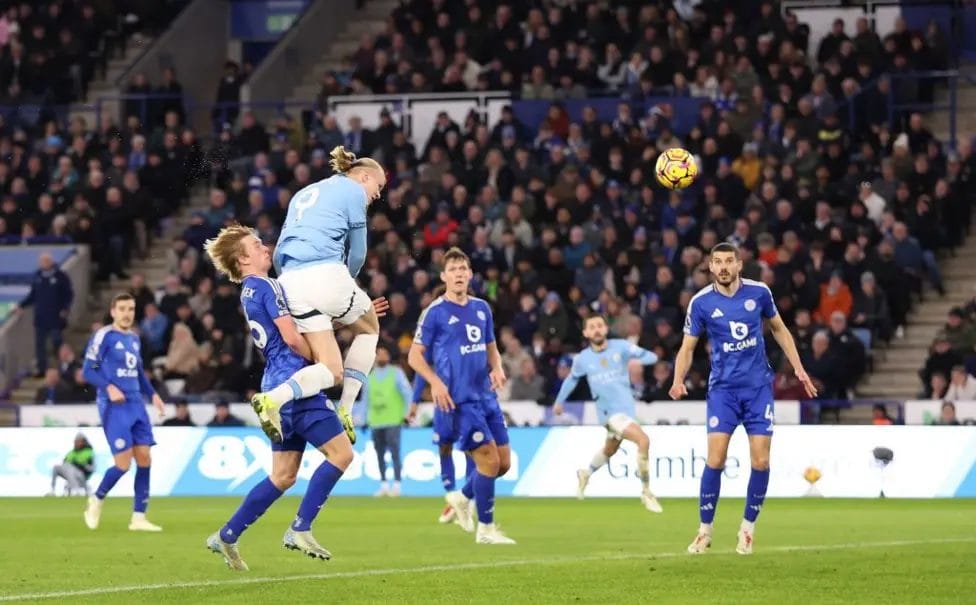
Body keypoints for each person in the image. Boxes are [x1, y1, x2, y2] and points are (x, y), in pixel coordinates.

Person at [203, 225, 356, 570]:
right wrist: (322, 362)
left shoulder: (248, 291)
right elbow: (292, 338)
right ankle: (300, 528)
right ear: (242, 259)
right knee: (342, 454)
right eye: (255, 245)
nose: (264, 248)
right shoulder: (270, 285)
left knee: (283, 476)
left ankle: (227, 535)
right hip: (295, 384)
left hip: (273, 385)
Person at [671, 243, 816, 555]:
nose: (723, 267)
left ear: (739, 264)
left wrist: (799, 368)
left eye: (729, 261)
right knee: (716, 459)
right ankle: (704, 531)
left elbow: (779, 329)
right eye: (718, 262)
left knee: (761, 460)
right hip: (723, 391)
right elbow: (687, 347)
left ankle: (747, 529)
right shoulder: (701, 303)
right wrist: (677, 379)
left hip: (758, 389)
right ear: (710, 267)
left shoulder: (759, 293)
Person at [257, 145, 388, 445]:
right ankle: (346, 409)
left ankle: (272, 400)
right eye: (378, 187)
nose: (377, 195)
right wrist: (348, 284)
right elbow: (359, 252)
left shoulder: (303, 193)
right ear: (364, 177)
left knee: (331, 368)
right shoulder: (354, 192)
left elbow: (280, 252)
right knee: (370, 328)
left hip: (289, 279)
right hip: (325, 273)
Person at [408, 247, 515, 544]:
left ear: (470, 275)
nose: (458, 274)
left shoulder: (482, 308)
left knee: (503, 464)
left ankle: (462, 497)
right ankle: (487, 530)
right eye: (452, 269)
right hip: (460, 401)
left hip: (487, 396)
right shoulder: (435, 313)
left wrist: (498, 367)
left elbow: (490, 345)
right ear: (444, 277)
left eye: (462, 269)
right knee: (489, 463)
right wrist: (435, 384)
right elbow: (414, 357)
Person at [553, 315, 663, 513]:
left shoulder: (620, 347)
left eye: (599, 326)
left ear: (605, 329)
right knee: (643, 441)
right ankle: (647, 492)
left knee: (609, 450)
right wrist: (559, 401)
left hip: (627, 411)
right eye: (591, 327)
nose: (596, 329)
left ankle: (586, 473)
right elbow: (571, 380)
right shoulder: (582, 359)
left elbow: (651, 357)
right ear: (586, 333)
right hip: (609, 414)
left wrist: (636, 362)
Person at [81, 293, 167, 532]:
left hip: (136, 404)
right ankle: (96, 499)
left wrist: (154, 395)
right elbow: (90, 367)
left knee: (145, 458)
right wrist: (107, 385)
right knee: (123, 464)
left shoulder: (134, 339)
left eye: (130, 309)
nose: (127, 313)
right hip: (114, 406)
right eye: (122, 309)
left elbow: (138, 372)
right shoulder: (104, 336)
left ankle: (138, 517)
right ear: (113, 311)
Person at [362, 344, 411, 497]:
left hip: (393, 419)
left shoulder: (396, 373)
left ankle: (397, 484)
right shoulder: (369, 377)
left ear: (389, 357)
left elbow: (407, 392)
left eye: (384, 353)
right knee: (379, 454)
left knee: (395, 452)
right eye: (379, 354)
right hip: (376, 421)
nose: (382, 356)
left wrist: (407, 413)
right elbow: (365, 400)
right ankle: (383, 484)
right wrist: (364, 419)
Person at [15, 252, 74, 376]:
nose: (44, 263)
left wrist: (65, 309)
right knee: (40, 345)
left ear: (51, 262)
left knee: (57, 341)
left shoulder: (60, 276)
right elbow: (33, 295)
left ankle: (62, 368)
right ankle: (42, 369)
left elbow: (68, 295)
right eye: (42, 261)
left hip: (56, 317)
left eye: (47, 261)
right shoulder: (37, 276)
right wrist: (21, 305)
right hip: (40, 317)